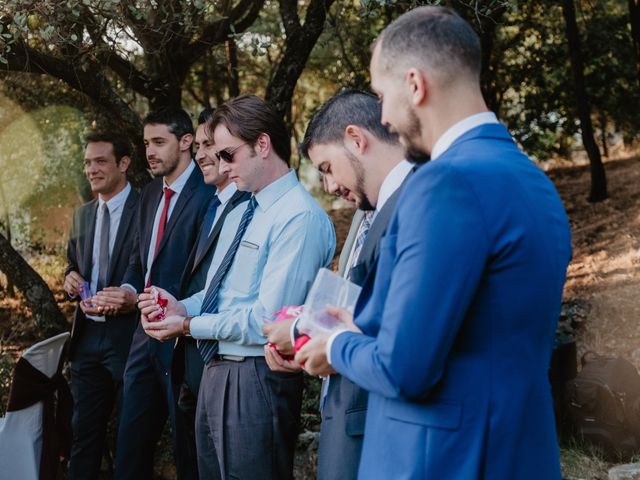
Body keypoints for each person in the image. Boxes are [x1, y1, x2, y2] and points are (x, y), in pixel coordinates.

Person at [297, 6, 572, 479]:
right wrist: (363, 323)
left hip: (441, 460)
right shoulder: (533, 180)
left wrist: (337, 342)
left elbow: (404, 368)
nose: (383, 114)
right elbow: (479, 326)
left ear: (415, 84)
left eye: (382, 95)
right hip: (519, 454)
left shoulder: (444, 183)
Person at [138, 95, 336, 480]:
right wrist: (180, 306)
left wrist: (187, 326)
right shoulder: (243, 210)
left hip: (257, 376)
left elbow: (267, 320)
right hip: (215, 371)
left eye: (228, 154)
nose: (221, 166)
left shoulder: (299, 217)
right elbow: (217, 293)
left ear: (262, 145)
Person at [264, 90, 412, 480]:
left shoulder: (409, 204)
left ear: (356, 140)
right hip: (346, 405)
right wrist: (308, 342)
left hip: (372, 416)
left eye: (327, 167)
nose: (328, 186)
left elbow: (391, 325)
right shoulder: (370, 212)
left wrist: (301, 331)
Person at [108, 107, 215, 480]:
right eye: (146, 143)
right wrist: (126, 290)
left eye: (158, 142)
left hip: (184, 338)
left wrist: (181, 316)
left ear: (186, 141)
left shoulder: (209, 194)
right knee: (130, 444)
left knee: (189, 449)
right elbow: (140, 260)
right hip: (143, 337)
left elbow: (206, 272)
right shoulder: (150, 193)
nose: (149, 152)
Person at [172, 107, 250, 474]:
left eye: (210, 145)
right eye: (200, 145)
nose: (201, 154)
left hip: (223, 357)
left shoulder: (248, 208)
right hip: (191, 357)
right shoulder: (211, 207)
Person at [64, 132, 139, 479]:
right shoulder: (80, 216)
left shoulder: (146, 209)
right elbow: (72, 265)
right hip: (86, 341)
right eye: (87, 162)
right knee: (83, 437)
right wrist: (70, 279)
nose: (91, 170)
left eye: (100, 161)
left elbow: (154, 267)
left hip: (129, 339)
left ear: (123, 164)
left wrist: (131, 295)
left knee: (130, 442)